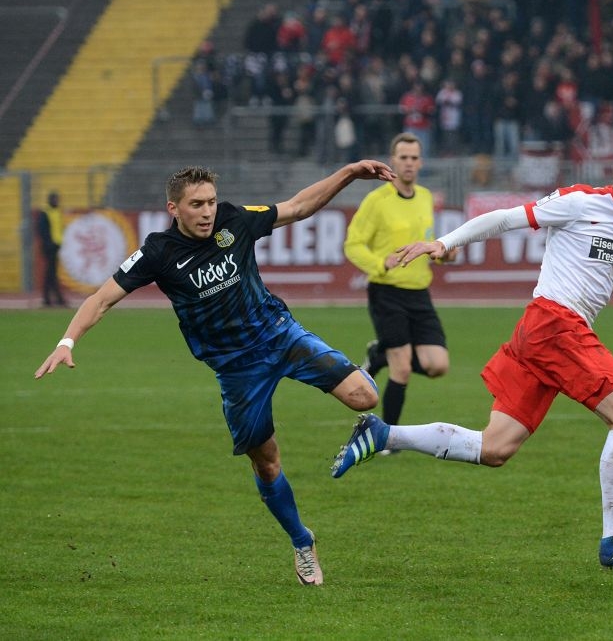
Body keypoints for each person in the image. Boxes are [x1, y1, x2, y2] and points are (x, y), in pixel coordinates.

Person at [332, 147, 613, 567]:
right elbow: (504, 219)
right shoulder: (580, 202)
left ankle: (383, 435)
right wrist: (444, 242)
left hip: (548, 336)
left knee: (494, 448)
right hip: (555, 323)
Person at [34, 160, 396, 585]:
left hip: (280, 336)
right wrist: (67, 341)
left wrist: (350, 173)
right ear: (174, 208)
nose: (207, 212)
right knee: (267, 464)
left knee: (365, 397)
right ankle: (302, 541)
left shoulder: (234, 220)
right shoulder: (157, 252)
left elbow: (298, 207)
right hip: (236, 369)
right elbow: (100, 299)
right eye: (196, 205)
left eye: (209, 202)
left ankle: (366, 427)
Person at [344, 133, 455, 431]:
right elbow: (352, 244)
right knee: (402, 367)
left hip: (419, 292)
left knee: (437, 365)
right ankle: (387, 439)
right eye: (403, 157)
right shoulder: (376, 200)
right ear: (393, 161)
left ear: (421, 162)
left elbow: (427, 243)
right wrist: (380, 264)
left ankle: (378, 355)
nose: (408, 163)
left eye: (414, 158)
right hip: (386, 293)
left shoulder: (426, 197)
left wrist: (444, 255)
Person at [37, 190, 67, 307]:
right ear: (50, 200)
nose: (56, 201)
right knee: (51, 273)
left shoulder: (57, 211)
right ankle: (54, 299)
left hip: (56, 246)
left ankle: (50, 299)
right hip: (49, 247)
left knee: (51, 273)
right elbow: (43, 231)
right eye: (55, 199)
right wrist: (48, 244)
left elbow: (59, 228)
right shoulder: (45, 212)